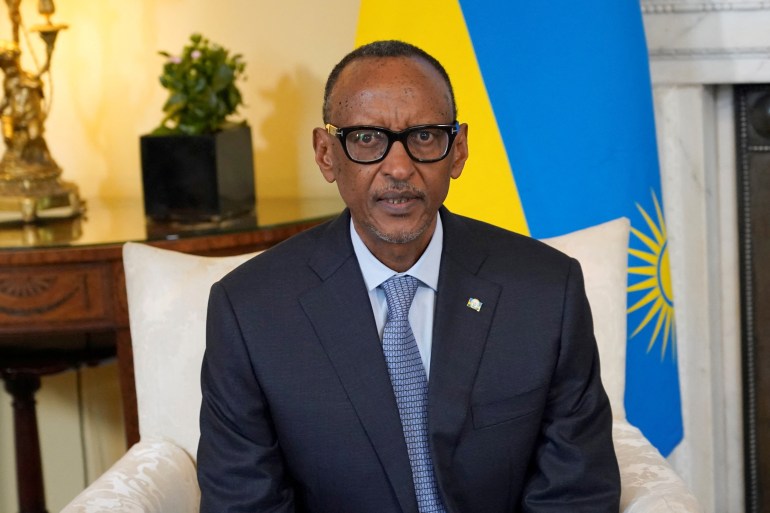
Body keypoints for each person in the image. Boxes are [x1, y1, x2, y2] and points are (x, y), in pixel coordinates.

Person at [198, 40, 620, 513]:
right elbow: (244, 503)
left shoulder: (546, 291)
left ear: (457, 150)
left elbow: (577, 492)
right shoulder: (251, 312)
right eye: (365, 138)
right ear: (325, 154)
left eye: (423, 136)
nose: (398, 168)